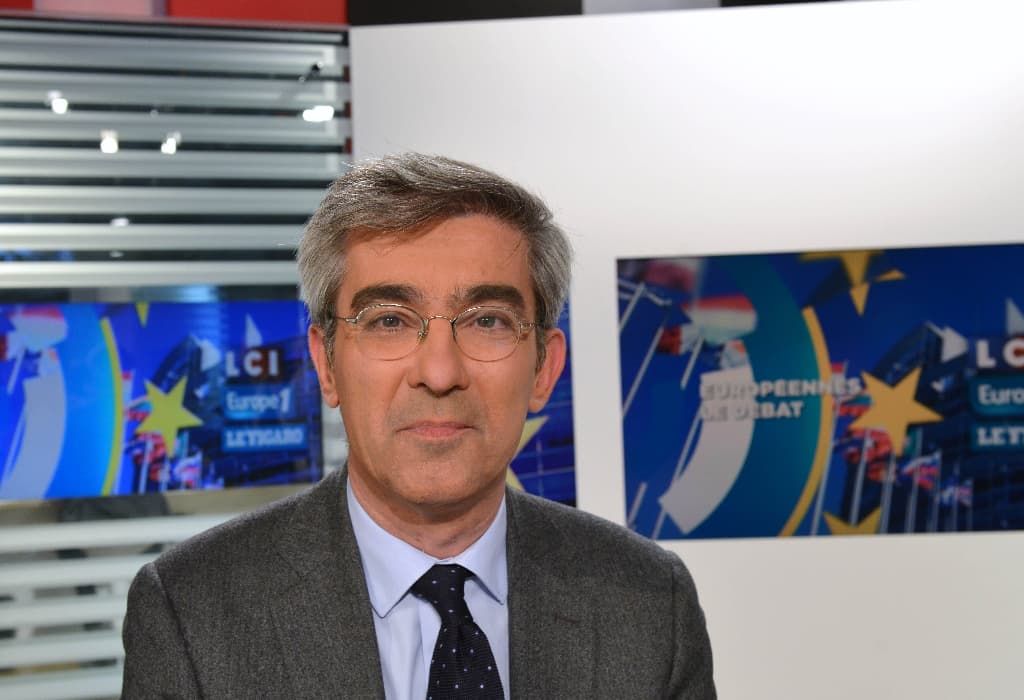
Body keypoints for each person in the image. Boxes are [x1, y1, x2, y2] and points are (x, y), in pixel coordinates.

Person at [121, 153, 715, 699]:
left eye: (487, 321)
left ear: (544, 369)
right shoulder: (190, 613)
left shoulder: (649, 603)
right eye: (389, 321)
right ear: (326, 364)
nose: (439, 373)